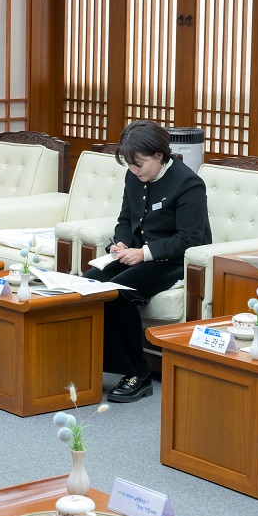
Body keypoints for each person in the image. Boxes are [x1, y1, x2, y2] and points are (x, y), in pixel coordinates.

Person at [83, 121, 208, 403]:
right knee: (87, 284)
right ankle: (89, 362)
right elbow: (125, 219)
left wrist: (144, 253)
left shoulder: (188, 183)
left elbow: (190, 238)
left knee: (119, 294)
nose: (134, 170)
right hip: (137, 254)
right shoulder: (134, 176)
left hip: (175, 260)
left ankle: (137, 375)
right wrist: (121, 243)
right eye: (129, 165)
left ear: (159, 155)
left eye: (139, 164)